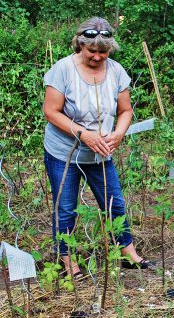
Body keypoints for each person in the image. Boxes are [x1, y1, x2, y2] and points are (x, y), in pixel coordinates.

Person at [43, 17, 152, 277]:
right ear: (80, 44)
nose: (98, 57)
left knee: (114, 203)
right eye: (92, 51)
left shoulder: (115, 71)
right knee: (66, 207)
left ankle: (127, 253)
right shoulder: (63, 69)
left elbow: (125, 110)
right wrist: (84, 134)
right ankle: (67, 260)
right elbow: (51, 111)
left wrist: (118, 133)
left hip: (101, 152)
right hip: (64, 151)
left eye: (104, 52)